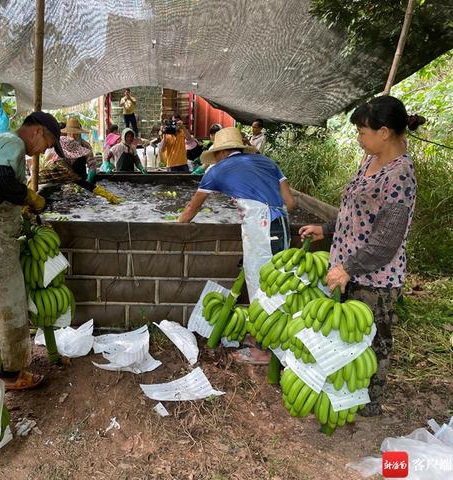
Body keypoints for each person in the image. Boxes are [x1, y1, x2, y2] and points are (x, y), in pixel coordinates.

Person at [299, 96, 424, 416]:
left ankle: (370, 401)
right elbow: (355, 211)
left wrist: (348, 268)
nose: (358, 137)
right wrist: (326, 229)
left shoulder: (400, 175)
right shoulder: (370, 159)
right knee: (346, 339)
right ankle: (344, 393)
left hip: (374, 277)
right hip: (347, 266)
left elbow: (386, 241)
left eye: (362, 131)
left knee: (373, 341)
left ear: (384, 132)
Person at [178, 127, 295, 364]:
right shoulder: (267, 162)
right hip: (280, 226)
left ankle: (263, 351)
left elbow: (192, 208)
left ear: (220, 153)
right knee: (276, 284)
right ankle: (263, 337)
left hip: (262, 232)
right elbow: (290, 202)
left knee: (263, 288)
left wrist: (174, 226)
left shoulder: (217, 170)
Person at [0, 111, 63, 390]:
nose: (43, 150)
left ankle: (0, 363)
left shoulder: (4, 141)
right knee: (8, 305)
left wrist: (20, 207)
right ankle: (11, 375)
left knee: (0, 304)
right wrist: (29, 197)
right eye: (47, 143)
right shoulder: (14, 143)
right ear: (37, 130)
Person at [40, 136, 122, 203]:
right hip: (41, 191)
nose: (75, 158)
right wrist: (106, 194)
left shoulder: (58, 159)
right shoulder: (60, 166)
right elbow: (82, 183)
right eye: (74, 156)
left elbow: (91, 166)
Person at [61, 117, 98, 184]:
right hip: (65, 181)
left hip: (82, 179)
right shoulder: (61, 145)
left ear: (79, 133)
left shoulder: (86, 146)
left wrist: (88, 180)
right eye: (70, 133)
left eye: (75, 133)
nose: (72, 136)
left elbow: (92, 165)